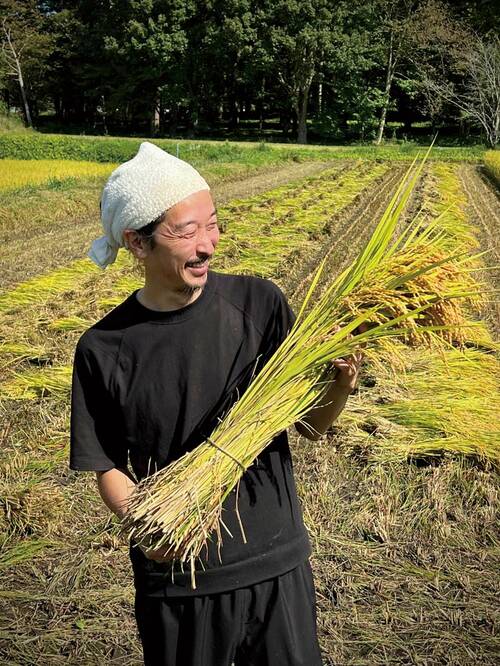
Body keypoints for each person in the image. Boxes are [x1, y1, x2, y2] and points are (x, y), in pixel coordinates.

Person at [70, 142, 364, 666]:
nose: (207, 245)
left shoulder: (259, 304)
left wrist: (339, 386)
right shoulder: (105, 348)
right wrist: (144, 528)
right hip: (178, 580)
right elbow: (106, 464)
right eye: (186, 232)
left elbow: (313, 427)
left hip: (274, 561)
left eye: (213, 225)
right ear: (137, 243)